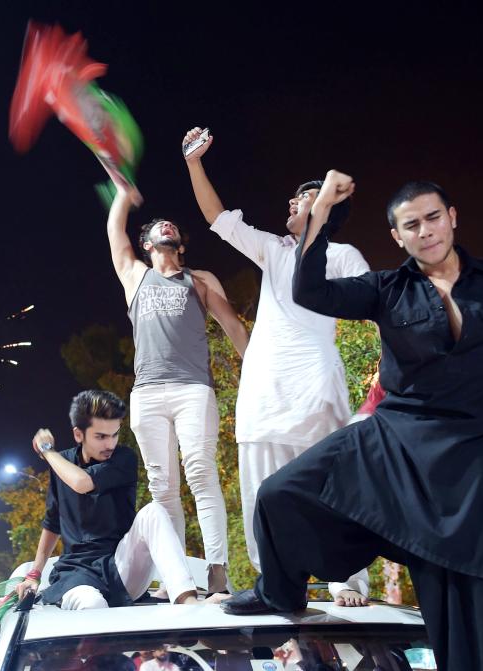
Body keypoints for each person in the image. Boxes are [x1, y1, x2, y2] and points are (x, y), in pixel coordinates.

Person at [222, 174, 483, 671]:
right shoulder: (386, 289)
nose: (426, 231)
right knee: (279, 495)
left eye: (433, 217)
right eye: (411, 225)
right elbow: (308, 290)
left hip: (481, 463)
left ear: (452, 217)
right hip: (395, 447)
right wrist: (322, 215)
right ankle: (280, 591)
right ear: (398, 237)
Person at [181, 126, 372, 606]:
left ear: (327, 207)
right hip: (264, 395)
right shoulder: (273, 250)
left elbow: (379, 310)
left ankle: (347, 581)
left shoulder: (345, 256)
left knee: (333, 486)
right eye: (293, 197)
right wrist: (194, 163)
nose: (292, 202)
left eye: (304, 197)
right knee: (261, 494)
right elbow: (217, 217)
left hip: (316, 392)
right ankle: (276, 584)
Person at [107, 185, 249, 592]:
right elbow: (115, 233)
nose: (165, 227)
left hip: (192, 390)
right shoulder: (136, 277)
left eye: (172, 227)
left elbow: (235, 328)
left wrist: (259, 370)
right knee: (162, 487)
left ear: (180, 245)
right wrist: (122, 195)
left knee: (201, 472)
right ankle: (177, 576)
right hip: (147, 394)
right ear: (148, 244)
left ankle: (217, 568)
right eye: (156, 227)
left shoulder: (200, 281)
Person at [16, 389, 229, 609]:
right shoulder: (62, 465)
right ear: (79, 435)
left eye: (114, 434)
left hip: (121, 566)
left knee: (154, 511)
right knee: (92, 604)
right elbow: (52, 524)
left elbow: (82, 483)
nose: (110, 444)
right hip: (76, 574)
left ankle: (189, 602)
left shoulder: (123, 458)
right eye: (100, 436)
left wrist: (47, 452)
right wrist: (34, 574)